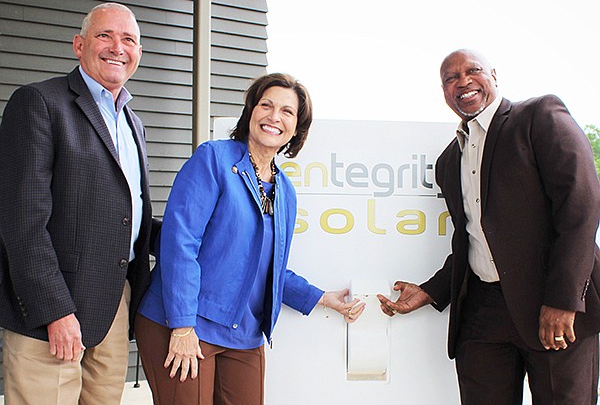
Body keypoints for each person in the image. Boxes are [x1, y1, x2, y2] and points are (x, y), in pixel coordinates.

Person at [378, 49, 600, 404]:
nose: (463, 81)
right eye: (451, 78)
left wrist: (563, 299)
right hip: (483, 313)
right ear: (444, 90)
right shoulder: (449, 161)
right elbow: (471, 240)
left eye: (473, 70)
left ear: (494, 75)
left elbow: (581, 206)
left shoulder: (539, 116)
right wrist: (431, 291)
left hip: (552, 307)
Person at [135, 72, 365, 405]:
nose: (274, 116)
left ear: (297, 127)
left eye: (287, 111)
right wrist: (182, 326)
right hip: (184, 322)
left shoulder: (285, 190)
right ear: (251, 112)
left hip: (243, 333)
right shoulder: (214, 159)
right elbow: (179, 244)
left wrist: (320, 298)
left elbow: (267, 266)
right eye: (266, 105)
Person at [0, 2, 160, 404]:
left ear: (139, 53)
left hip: (113, 305)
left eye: (129, 39)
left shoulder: (132, 123)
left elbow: (126, 213)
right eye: (105, 35)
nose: (117, 47)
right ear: (79, 45)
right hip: (53, 311)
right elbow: (22, 221)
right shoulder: (39, 103)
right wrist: (54, 310)